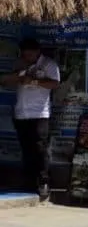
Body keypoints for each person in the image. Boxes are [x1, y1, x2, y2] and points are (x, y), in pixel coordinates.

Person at [0, 39, 59, 200]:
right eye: (25, 54)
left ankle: (43, 181)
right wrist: (18, 74)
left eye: (30, 54)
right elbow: (7, 81)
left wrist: (33, 81)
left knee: (40, 148)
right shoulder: (20, 64)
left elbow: (55, 83)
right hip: (21, 113)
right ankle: (28, 182)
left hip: (40, 113)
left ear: (37, 51)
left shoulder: (48, 65)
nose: (27, 57)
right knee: (26, 149)